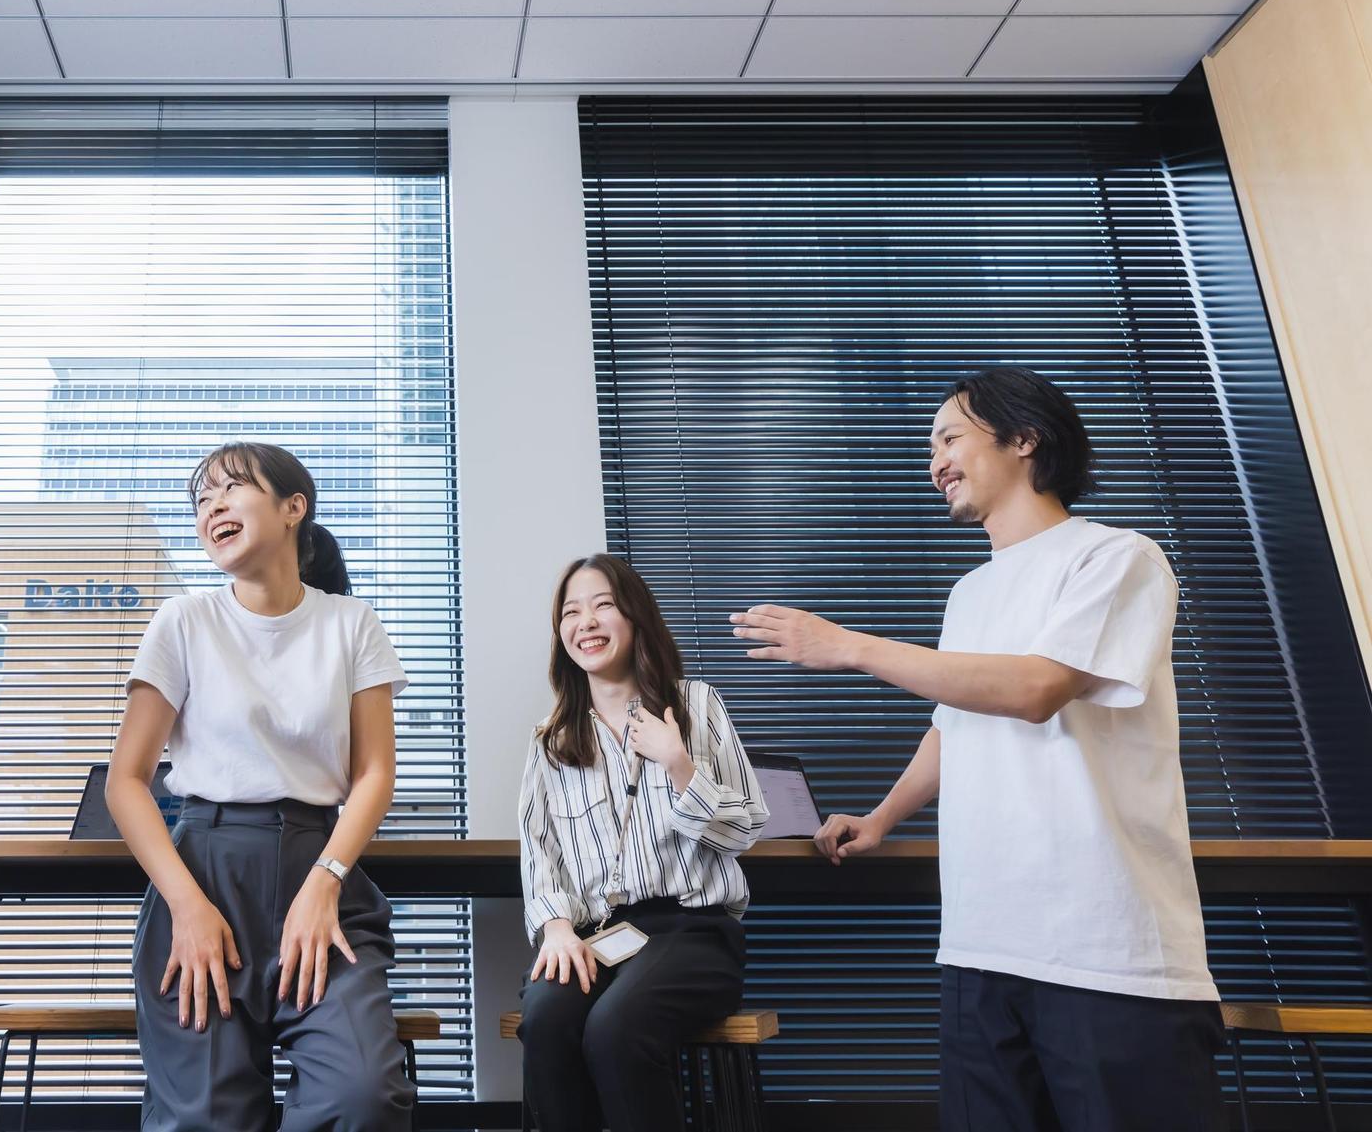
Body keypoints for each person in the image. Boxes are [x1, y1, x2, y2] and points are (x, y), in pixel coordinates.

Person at [732, 366, 1222, 1132]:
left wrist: (851, 646)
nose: (935, 460)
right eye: (931, 445)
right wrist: (885, 815)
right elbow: (953, 724)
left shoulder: (1115, 557)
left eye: (950, 435)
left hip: (1106, 953)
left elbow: (1034, 690)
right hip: (981, 944)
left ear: (1024, 438)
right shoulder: (970, 592)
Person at [105, 442, 414, 1131]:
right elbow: (127, 781)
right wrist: (186, 905)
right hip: (203, 876)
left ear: (292, 507)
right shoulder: (184, 620)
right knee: (207, 1117)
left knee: (362, 1096)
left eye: (230, 488)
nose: (210, 505)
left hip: (320, 875)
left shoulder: (350, 623)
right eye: (200, 499)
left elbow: (375, 772)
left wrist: (326, 878)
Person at [516, 553, 769, 1132]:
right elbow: (539, 850)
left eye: (604, 605)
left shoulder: (697, 705)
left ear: (635, 619)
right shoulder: (552, 740)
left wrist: (680, 763)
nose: (587, 622)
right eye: (572, 612)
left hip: (694, 933)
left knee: (615, 1029)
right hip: (598, 937)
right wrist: (556, 929)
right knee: (548, 1021)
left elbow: (746, 829)